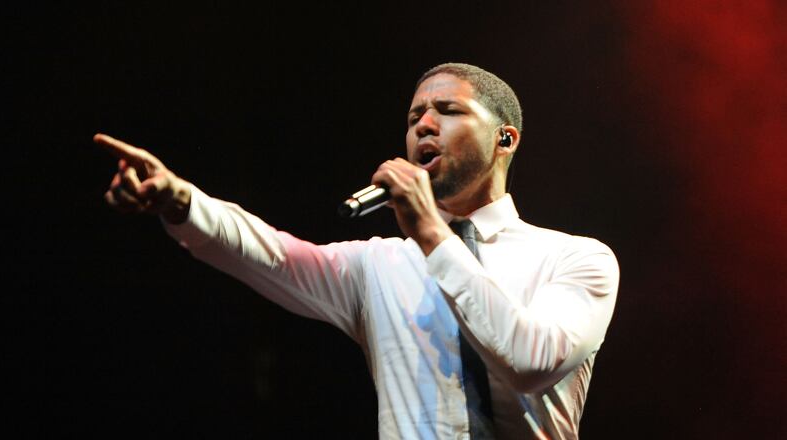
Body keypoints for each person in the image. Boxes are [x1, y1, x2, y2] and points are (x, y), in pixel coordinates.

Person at [96, 63, 619, 439]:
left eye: (448, 110)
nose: (423, 125)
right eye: (415, 116)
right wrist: (180, 200)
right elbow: (271, 254)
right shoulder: (380, 264)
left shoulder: (577, 258)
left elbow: (531, 361)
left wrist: (432, 236)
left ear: (505, 140)